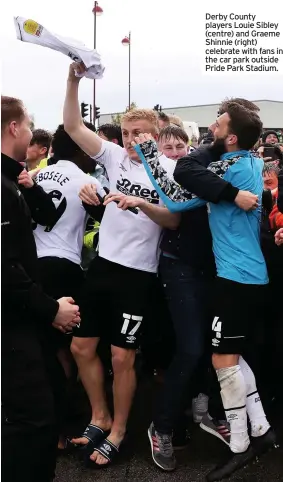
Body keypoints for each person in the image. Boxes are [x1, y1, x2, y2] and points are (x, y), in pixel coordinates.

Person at [133, 103, 276, 481]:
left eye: (219, 123)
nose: (211, 127)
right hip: (240, 277)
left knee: (222, 362)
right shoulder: (246, 164)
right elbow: (189, 193)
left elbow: (178, 190)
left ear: (231, 137)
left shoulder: (234, 166)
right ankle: (261, 431)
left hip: (237, 278)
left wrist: (150, 154)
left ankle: (241, 447)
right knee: (231, 356)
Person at [63, 62, 178, 467]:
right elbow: (74, 127)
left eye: (139, 134)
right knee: (81, 345)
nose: (130, 140)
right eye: (126, 133)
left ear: (155, 135)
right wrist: (74, 78)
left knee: (122, 357)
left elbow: (173, 219)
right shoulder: (114, 157)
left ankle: (119, 430)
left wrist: (141, 203)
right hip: (104, 267)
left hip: (138, 273)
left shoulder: (167, 169)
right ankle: (100, 416)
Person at [1, 95, 81, 482]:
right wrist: (51, 309)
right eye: (29, 124)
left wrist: (29, 186)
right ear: (14, 127)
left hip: (21, 317)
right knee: (32, 420)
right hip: (11, 324)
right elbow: (4, 268)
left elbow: (45, 216)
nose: (32, 132)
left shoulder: (12, 178)